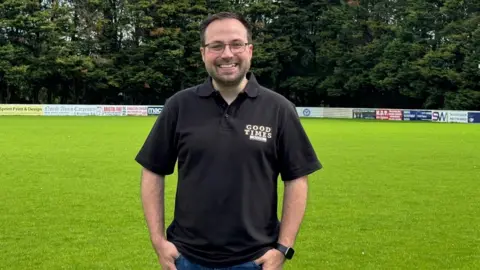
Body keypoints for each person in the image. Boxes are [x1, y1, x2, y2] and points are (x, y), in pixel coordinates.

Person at [135, 11, 323, 270]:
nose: (227, 54)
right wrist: (158, 241)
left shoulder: (279, 108)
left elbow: (297, 179)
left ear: (250, 50)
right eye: (216, 46)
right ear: (203, 53)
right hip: (186, 259)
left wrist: (283, 248)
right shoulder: (179, 106)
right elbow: (152, 171)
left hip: (255, 260)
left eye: (236, 44)